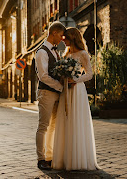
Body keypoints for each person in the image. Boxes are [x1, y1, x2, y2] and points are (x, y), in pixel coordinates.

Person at [52, 27, 99, 170]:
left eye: (65, 38)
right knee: (65, 121)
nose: (63, 41)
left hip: (77, 90)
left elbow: (89, 74)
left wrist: (76, 80)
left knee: (76, 121)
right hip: (66, 91)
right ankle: (64, 159)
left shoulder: (83, 54)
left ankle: (78, 159)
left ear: (72, 38)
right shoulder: (65, 55)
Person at [35, 21, 66, 170]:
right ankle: (41, 159)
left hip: (56, 93)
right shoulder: (42, 52)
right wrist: (60, 86)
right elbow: (43, 76)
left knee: (53, 127)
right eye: (60, 35)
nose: (61, 39)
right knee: (43, 126)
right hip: (46, 93)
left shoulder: (55, 51)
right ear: (54, 33)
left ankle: (49, 157)